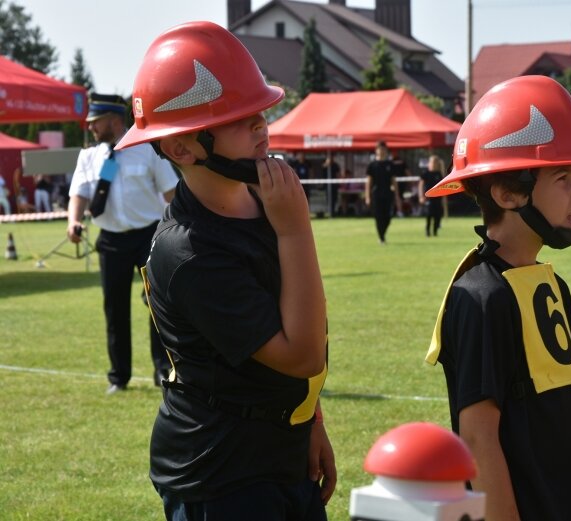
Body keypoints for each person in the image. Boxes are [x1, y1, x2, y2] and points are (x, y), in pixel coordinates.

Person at [114, 21, 335, 519]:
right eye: (239, 117)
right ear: (182, 148)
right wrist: (296, 232)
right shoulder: (188, 253)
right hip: (222, 474)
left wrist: (310, 419)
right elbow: (301, 354)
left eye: (260, 110)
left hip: (279, 449)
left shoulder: (261, 200)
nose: (262, 124)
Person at [424, 75, 571, 520]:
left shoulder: (551, 285)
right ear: (507, 193)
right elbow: (478, 440)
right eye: (563, 175)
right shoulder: (479, 298)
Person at [67, 93, 178, 394]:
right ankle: (119, 376)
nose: (90, 127)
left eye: (95, 121)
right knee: (114, 309)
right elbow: (78, 193)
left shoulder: (147, 150)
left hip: (149, 236)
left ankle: (163, 369)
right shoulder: (90, 156)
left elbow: (171, 193)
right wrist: (72, 221)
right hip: (111, 240)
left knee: (158, 304)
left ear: (114, 121)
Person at [364, 141, 402, 243]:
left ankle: (383, 234)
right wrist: (367, 196)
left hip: (388, 193)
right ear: (376, 151)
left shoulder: (390, 164)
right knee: (378, 216)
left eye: (383, 149)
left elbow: (394, 181)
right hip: (376, 194)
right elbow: (369, 182)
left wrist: (397, 196)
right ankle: (381, 237)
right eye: (379, 149)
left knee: (388, 217)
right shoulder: (372, 165)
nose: (381, 151)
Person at [417, 155, 445, 237]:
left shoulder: (439, 174)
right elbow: (421, 185)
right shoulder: (425, 173)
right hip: (428, 198)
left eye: (435, 162)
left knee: (438, 215)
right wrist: (421, 196)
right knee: (429, 215)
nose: (433, 164)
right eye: (432, 162)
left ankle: (435, 231)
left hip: (438, 198)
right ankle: (427, 231)